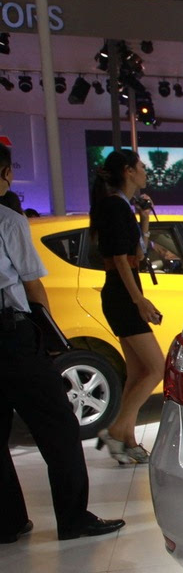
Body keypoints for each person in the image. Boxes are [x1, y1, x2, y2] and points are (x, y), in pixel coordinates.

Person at [0, 143, 125, 542]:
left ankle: (8, 522)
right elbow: (32, 285)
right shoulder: (8, 220)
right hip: (11, 337)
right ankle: (73, 519)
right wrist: (49, 336)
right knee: (59, 428)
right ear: (5, 174)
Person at [89, 149, 164, 464]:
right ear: (128, 171)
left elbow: (137, 253)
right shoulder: (114, 206)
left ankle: (128, 439)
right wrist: (138, 300)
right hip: (122, 296)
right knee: (157, 368)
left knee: (138, 372)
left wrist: (144, 220)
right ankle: (116, 430)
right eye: (141, 166)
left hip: (121, 294)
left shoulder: (121, 206)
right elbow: (120, 259)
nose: (145, 171)